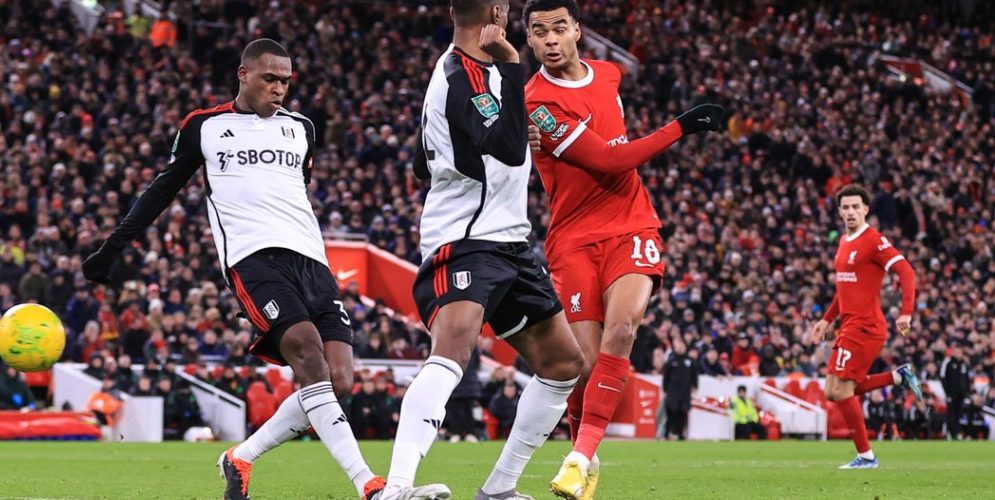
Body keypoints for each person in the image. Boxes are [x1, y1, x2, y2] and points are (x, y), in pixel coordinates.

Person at [81, 39, 386, 500]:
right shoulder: (204, 126)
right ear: (244, 74)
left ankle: (240, 457)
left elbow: (295, 190)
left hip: (312, 260)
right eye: (270, 78)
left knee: (339, 379)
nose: (279, 88)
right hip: (252, 258)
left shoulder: (301, 128)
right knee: (307, 352)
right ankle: (369, 486)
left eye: (286, 81)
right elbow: (162, 190)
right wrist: (112, 248)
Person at [520, 1, 725, 496]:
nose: (550, 39)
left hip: (632, 225)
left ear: (577, 31)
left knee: (623, 328)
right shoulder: (537, 103)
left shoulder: (609, 74)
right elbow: (611, 161)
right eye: (540, 32)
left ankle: (578, 457)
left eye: (559, 28)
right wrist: (681, 126)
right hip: (572, 239)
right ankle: (585, 458)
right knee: (582, 368)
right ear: (528, 39)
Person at [382, 1, 584, 498]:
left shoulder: (467, 72)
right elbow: (510, 152)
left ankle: (498, 489)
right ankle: (397, 487)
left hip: (510, 240)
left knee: (562, 363)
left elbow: (422, 163)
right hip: (467, 239)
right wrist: (515, 65)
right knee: (453, 349)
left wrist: (505, 126)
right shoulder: (465, 74)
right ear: (496, 11)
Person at [807, 184, 921, 469]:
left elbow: (906, 271)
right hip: (848, 325)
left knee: (841, 391)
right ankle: (898, 377)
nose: (851, 212)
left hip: (866, 326)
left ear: (866, 209)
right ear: (839, 212)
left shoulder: (874, 240)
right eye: (845, 207)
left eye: (856, 206)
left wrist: (906, 313)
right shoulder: (844, 241)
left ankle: (867, 456)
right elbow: (844, 289)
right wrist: (826, 320)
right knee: (832, 391)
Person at [661, 340, 698, 440]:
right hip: (673, 391)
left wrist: (694, 386)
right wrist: (665, 389)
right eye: (679, 347)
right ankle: (667, 433)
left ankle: (681, 434)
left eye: (682, 347)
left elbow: (694, 375)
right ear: (675, 348)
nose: (680, 349)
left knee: (683, 412)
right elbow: (666, 376)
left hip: (685, 391)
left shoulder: (690, 361)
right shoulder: (671, 361)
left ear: (685, 348)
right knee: (671, 412)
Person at [940, 344, 970, 440]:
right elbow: (943, 378)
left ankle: (957, 433)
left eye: (960, 352)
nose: (959, 354)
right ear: (953, 353)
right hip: (951, 394)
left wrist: (967, 393)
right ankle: (949, 432)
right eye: (957, 352)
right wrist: (947, 393)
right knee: (951, 414)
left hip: (961, 395)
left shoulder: (963, 364)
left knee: (958, 414)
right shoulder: (948, 363)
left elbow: (966, 379)